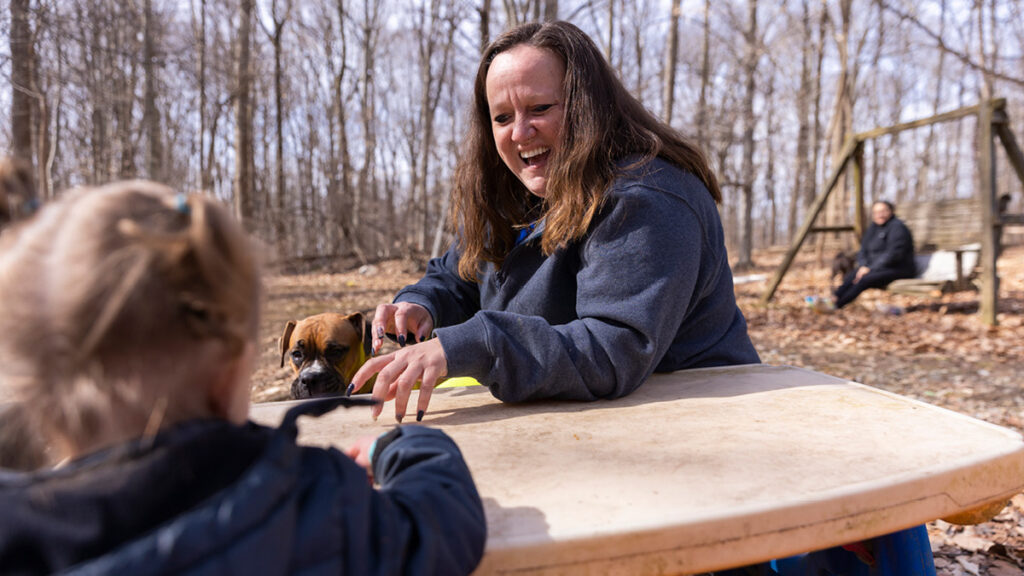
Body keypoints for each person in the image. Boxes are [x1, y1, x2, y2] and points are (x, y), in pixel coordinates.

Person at [0, 181, 486, 575]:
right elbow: (443, 524)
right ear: (236, 368)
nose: (314, 372)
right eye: (300, 359)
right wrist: (405, 447)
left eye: (331, 356)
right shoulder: (311, 503)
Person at [351, 20, 759, 423]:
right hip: (583, 419)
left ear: (588, 104)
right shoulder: (521, 190)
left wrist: (475, 345)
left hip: (694, 422)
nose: (521, 133)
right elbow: (462, 275)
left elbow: (612, 351)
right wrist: (423, 304)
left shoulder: (647, 197)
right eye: (502, 118)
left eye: (540, 108)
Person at [832, 200, 916, 309]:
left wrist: (870, 268)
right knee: (854, 274)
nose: (879, 215)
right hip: (877, 268)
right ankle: (833, 298)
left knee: (865, 279)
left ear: (891, 211)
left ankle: (837, 305)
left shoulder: (898, 228)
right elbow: (863, 250)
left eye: (883, 211)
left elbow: (894, 254)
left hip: (899, 268)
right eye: (876, 212)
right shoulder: (873, 228)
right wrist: (863, 265)